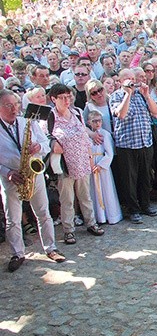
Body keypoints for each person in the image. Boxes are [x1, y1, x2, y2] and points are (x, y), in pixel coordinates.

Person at [0, 89, 65, 271]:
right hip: (12, 177)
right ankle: (17, 253)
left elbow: (45, 144)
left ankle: (51, 248)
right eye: (8, 105)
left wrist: (39, 147)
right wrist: (7, 173)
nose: (14, 109)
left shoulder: (27, 122)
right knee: (12, 218)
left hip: (33, 173)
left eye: (16, 104)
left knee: (43, 213)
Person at [48, 84, 105, 245]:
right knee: (67, 199)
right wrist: (53, 144)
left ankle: (91, 223)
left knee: (85, 196)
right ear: (54, 99)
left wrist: (89, 157)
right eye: (63, 97)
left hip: (81, 161)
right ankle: (68, 230)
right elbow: (45, 136)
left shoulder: (77, 113)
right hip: (64, 165)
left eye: (68, 97)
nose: (67, 100)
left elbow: (84, 137)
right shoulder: (50, 116)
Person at [109, 68, 157, 224]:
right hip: (127, 144)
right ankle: (133, 209)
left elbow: (156, 113)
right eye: (128, 78)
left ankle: (145, 205)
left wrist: (147, 95)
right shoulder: (115, 96)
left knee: (146, 176)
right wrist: (127, 94)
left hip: (145, 142)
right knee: (130, 179)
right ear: (121, 81)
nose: (133, 81)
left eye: (133, 78)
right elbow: (121, 114)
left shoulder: (142, 95)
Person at [87, 110, 122, 225]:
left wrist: (101, 165)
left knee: (106, 189)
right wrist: (91, 163)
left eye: (99, 121)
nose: (97, 123)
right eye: (94, 121)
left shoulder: (105, 134)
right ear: (89, 122)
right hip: (91, 165)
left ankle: (111, 215)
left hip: (102, 166)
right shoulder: (87, 136)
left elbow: (109, 153)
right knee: (94, 191)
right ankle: (99, 216)